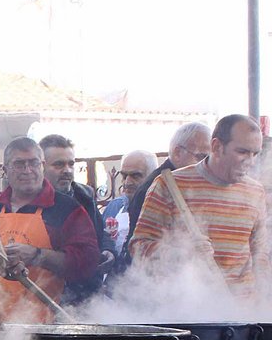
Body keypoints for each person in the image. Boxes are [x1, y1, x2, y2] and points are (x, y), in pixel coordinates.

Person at [130, 114, 271, 298]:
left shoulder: (255, 191)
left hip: (241, 313)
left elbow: (260, 256)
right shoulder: (169, 185)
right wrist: (181, 254)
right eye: (242, 152)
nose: (250, 162)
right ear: (216, 147)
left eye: (255, 154)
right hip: (190, 310)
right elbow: (137, 247)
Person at [0, 138, 100, 321]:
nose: (27, 170)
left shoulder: (67, 209)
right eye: (19, 164)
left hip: (44, 327)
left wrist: (38, 255)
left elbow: (88, 262)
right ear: (5, 170)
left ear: (43, 166)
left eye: (33, 163)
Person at [39, 133, 113, 299]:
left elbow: (100, 232)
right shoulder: (29, 200)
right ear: (41, 166)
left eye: (71, 164)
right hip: (47, 293)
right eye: (58, 165)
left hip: (86, 292)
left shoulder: (84, 195)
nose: (67, 170)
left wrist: (108, 250)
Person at [126, 120, 210, 242]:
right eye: (201, 157)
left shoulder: (188, 182)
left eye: (210, 158)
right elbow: (141, 245)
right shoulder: (157, 187)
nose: (207, 165)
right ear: (177, 153)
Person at [103, 149, 156, 255]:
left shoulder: (161, 210)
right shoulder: (114, 207)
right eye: (124, 176)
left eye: (135, 176)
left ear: (152, 176)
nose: (127, 182)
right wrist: (108, 252)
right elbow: (104, 240)